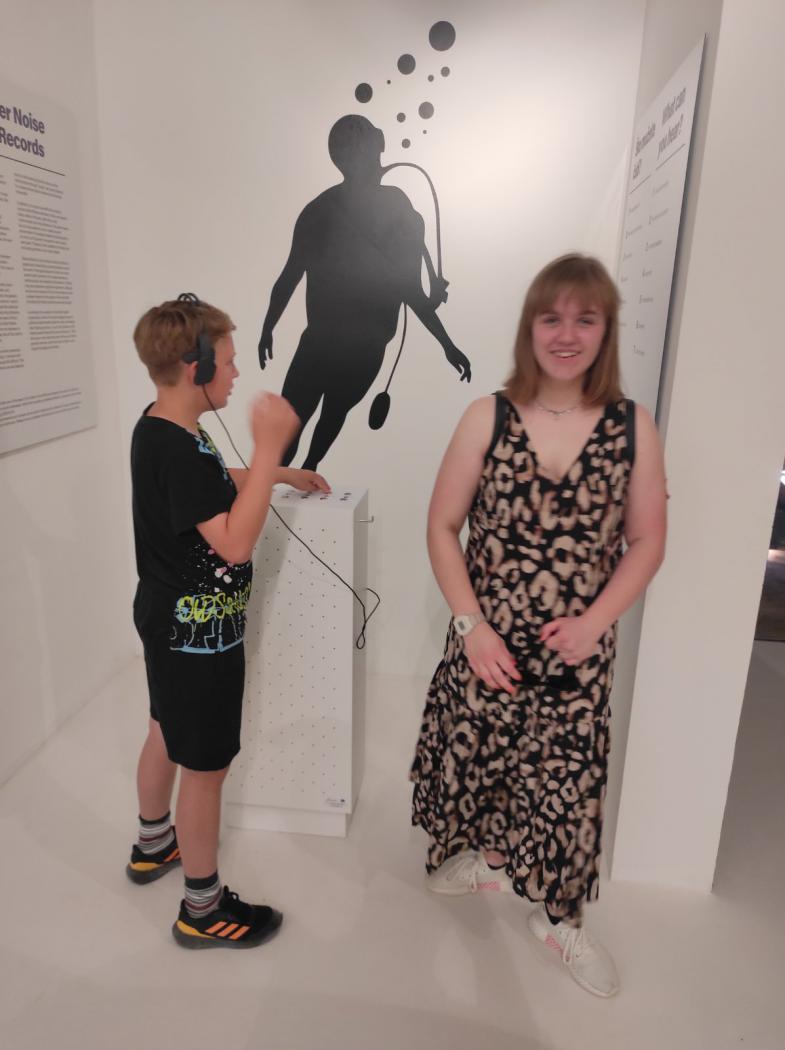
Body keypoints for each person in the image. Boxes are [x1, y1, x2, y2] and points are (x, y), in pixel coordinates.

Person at [410, 254, 667, 997]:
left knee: (567, 791)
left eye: (585, 319)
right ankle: (487, 861)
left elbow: (647, 541)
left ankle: (559, 920)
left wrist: (594, 623)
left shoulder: (631, 426)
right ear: (529, 327)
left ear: (605, 331)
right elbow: (442, 526)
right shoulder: (485, 416)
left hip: (576, 657)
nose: (566, 334)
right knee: (485, 764)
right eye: (551, 318)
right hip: (487, 646)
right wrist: (471, 626)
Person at [127, 295, 329, 949]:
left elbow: (207, 482)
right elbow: (235, 545)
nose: (238, 374)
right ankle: (202, 908)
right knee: (206, 768)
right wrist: (270, 448)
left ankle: (153, 843)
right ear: (198, 366)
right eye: (230, 361)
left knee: (165, 727)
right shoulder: (179, 447)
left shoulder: (161, 428)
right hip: (199, 636)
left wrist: (277, 471)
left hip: (165, 620)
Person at [258, 114, 471, 469]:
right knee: (329, 415)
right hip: (361, 347)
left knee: (305, 420)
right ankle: (303, 472)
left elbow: (289, 277)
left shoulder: (319, 210)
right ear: (376, 146)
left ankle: (286, 480)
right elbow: (411, 292)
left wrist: (269, 328)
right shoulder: (396, 208)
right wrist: (446, 343)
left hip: (325, 343)